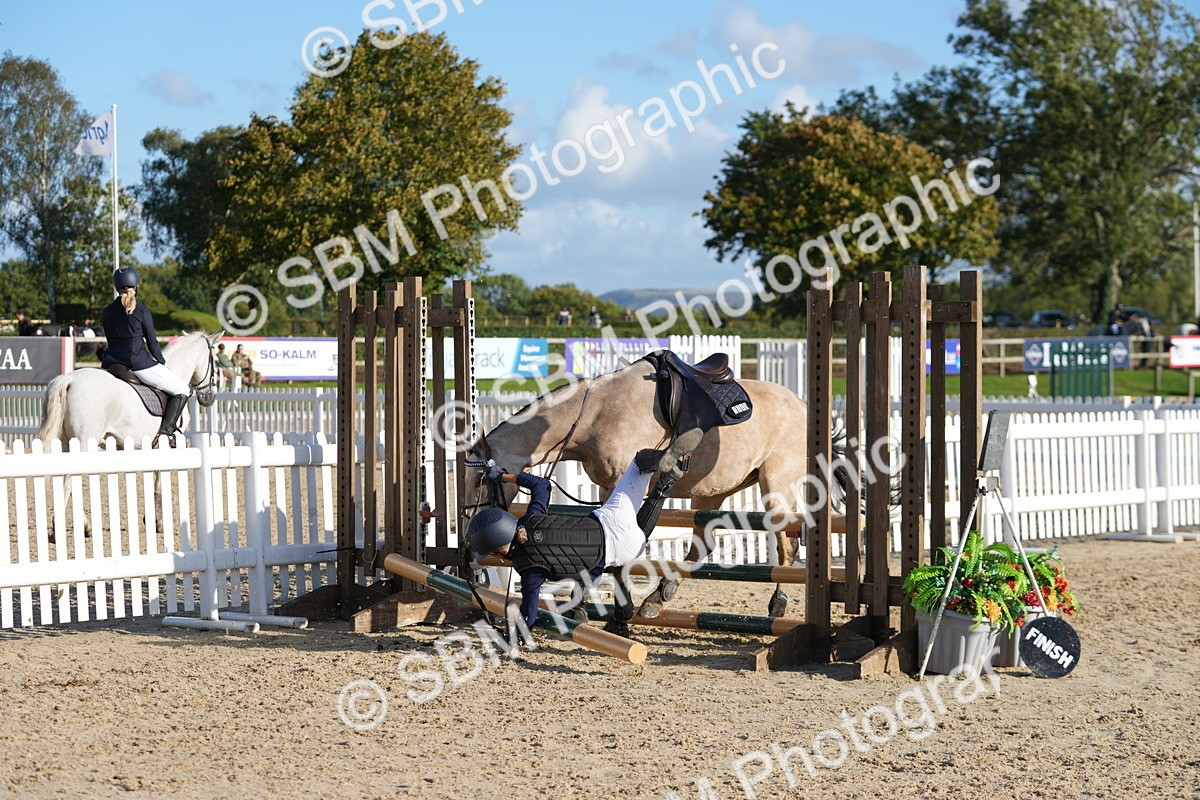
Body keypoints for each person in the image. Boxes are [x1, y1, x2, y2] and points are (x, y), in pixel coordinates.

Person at [467, 428, 704, 641]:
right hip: (610, 517)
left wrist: (512, 636)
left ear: (499, 551)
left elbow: (528, 617)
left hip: (622, 550)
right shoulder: (532, 518)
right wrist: (503, 476)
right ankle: (663, 460)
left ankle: (664, 486)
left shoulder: (529, 571)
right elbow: (542, 486)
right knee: (640, 461)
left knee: (649, 512)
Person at [101, 266, 190, 437]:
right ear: (136, 286)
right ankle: (167, 431)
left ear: (116, 286)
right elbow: (152, 343)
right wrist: (161, 363)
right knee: (182, 389)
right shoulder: (141, 310)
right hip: (138, 364)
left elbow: (110, 339)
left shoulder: (107, 311)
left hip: (112, 363)